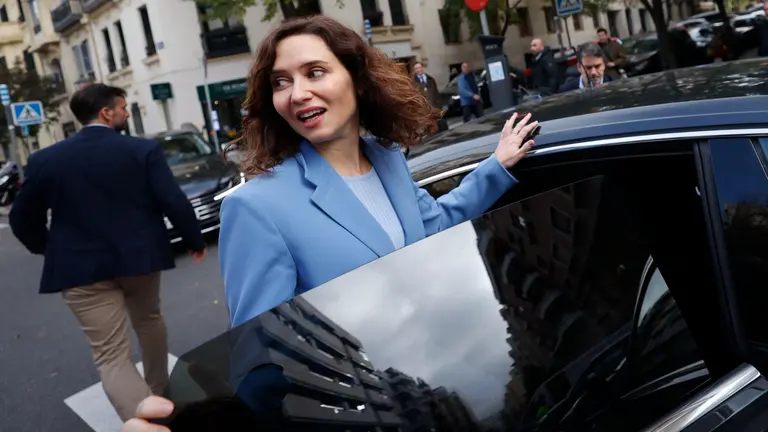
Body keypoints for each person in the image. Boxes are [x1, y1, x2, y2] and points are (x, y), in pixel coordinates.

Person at [121, 14, 538, 430]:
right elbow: (261, 361)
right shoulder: (255, 206)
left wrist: (496, 166)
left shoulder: (388, 160)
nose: (297, 93)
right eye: (281, 82)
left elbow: (433, 224)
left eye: (314, 72)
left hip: (436, 384)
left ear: (356, 79)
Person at [9, 84, 208, 422]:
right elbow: (172, 200)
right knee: (149, 321)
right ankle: (158, 391)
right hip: (139, 261)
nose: (127, 114)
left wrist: (49, 247)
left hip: (80, 270)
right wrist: (194, 240)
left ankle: (143, 418)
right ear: (106, 113)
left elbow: (21, 217)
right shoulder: (142, 150)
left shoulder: (46, 159)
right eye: (123, 108)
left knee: (110, 355)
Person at [412, 61, 447, 132]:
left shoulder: (431, 79)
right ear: (414, 70)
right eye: (416, 68)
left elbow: (436, 94)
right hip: (424, 110)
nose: (418, 70)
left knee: (440, 127)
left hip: (435, 108)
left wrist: (439, 107)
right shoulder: (413, 83)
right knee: (431, 130)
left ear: (422, 68)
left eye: (419, 67)